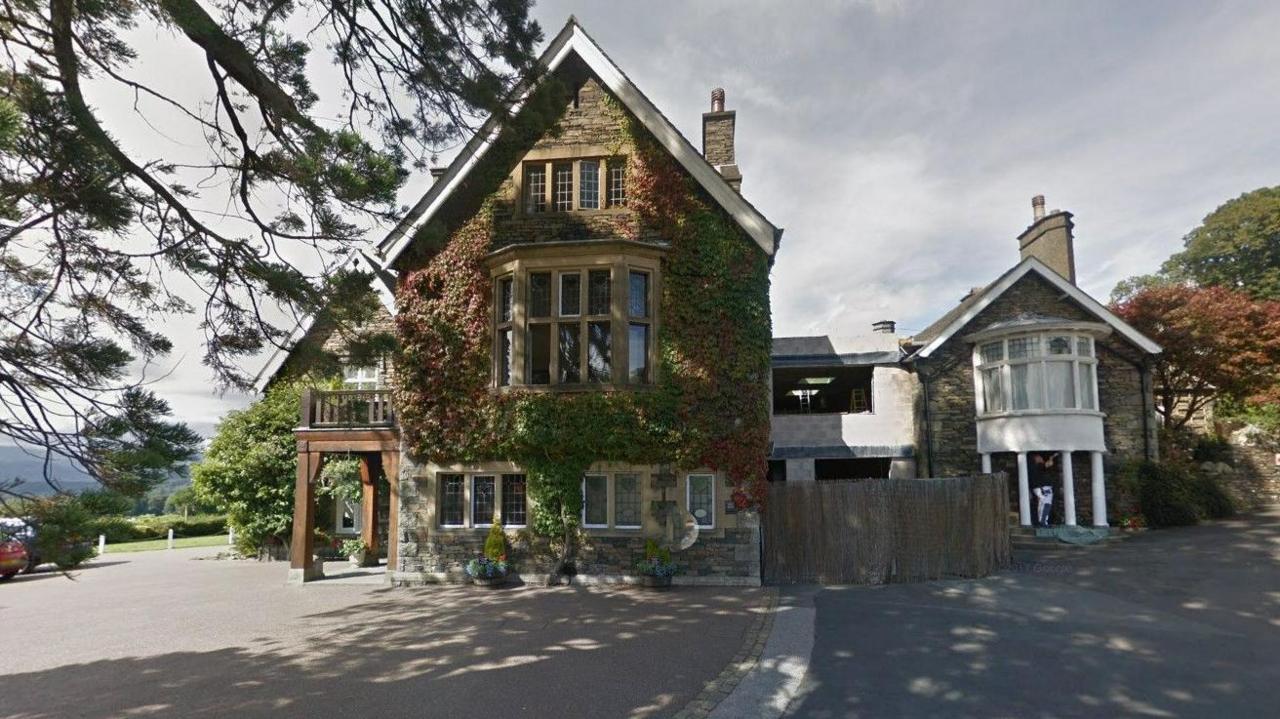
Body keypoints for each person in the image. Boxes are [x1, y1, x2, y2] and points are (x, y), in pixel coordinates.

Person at [1030, 453, 1057, 527]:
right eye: (1039, 457)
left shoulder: (1037, 467)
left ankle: (1043, 522)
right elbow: (1049, 464)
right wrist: (1051, 458)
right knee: (1045, 505)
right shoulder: (1038, 466)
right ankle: (1043, 523)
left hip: (1043, 488)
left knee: (1044, 505)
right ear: (1036, 459)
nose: (1041, 458)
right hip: (1043, 488)